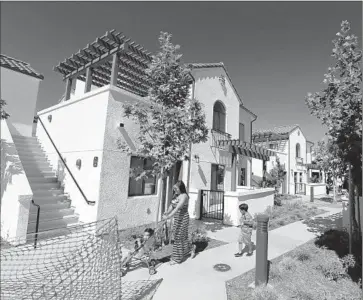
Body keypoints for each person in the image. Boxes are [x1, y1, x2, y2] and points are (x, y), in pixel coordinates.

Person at [162, 180, 190, 265]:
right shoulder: (176, 196)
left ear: (181, 188)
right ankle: (187, 251)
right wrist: (167, 212)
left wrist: (168, 217)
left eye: (176, 189)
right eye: (174, 189)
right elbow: (172, 205)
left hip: (183, 218)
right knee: (182, 237)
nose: (175, 190)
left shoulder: (184, 196)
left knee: (178, 237)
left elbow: (177, 208)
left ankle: (177, 258)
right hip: (177, 218)